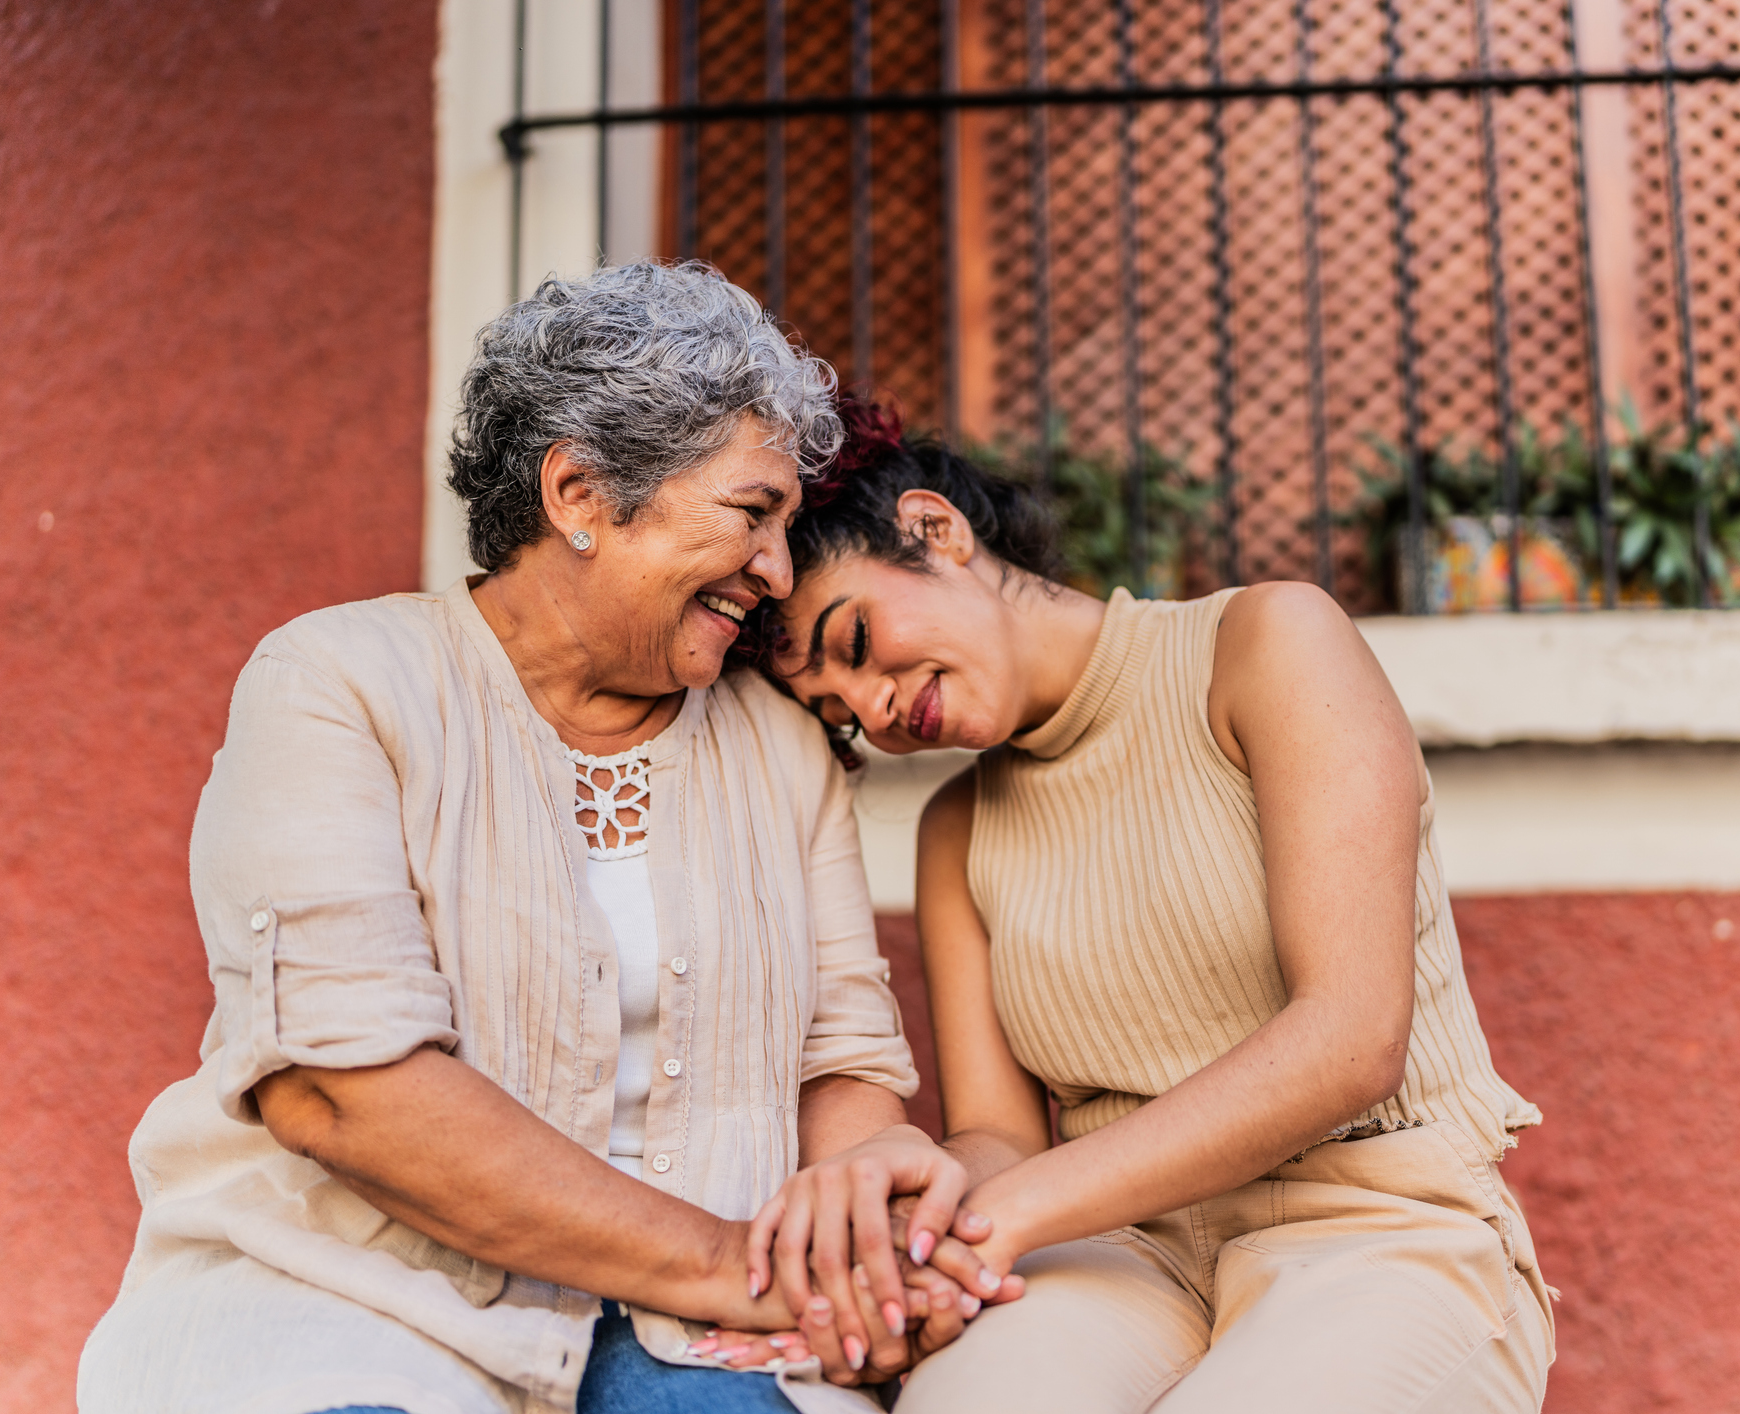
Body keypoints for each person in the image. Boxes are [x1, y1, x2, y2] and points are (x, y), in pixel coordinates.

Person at [77, 265, 1005, 1414]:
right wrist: (728, 1264)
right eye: (751, 514)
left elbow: (843, 1065)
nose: (776, 571)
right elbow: (343, 1091)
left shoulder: (776, 745)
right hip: (361, 1296)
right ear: (579, 493)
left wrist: (857, 1224)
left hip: (702, 1327)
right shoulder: (339, 683)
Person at [756, 402, 1556, 1411]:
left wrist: (1009, 1210)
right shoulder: (956, 833)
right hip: (1119, 1255)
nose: (870, 707)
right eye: (834, 708)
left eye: (856, 639)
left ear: (933, 529)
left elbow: (1351, 1038)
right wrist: (914, 1219)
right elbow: (1000, 1138)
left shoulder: (1264, 644)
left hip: (1380, 1225)